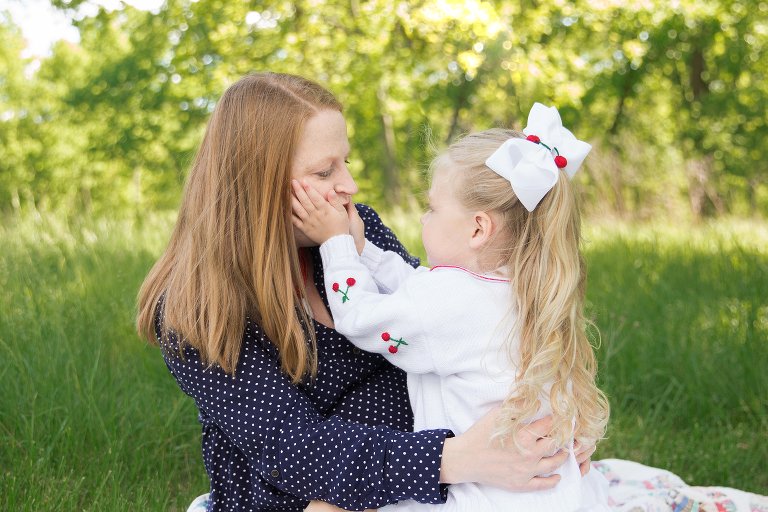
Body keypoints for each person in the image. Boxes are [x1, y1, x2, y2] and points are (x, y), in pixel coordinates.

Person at [135, 73, 596, 512]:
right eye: (324, 171)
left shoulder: (355, 229)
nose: (349, 186)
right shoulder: (196, 307)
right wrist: (459, 458)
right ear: (258, 183)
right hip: (307, 495)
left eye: (346, 161)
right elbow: (294, 451)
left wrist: (546, 419)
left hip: (417, 480)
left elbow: (454, 323)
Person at [291, 104, 611, 512]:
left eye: (432, 209)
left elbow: (359, 317)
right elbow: (416, 286)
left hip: (488, 496)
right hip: (555, 491)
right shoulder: (523, 288)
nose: (424, 219)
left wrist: (336, 247)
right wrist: (363, 251)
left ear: (478, 228)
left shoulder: (452, 302)